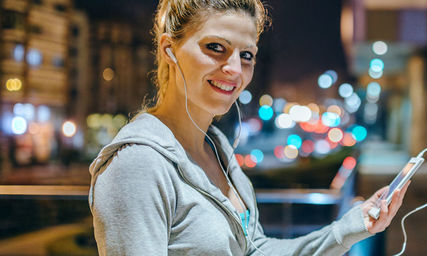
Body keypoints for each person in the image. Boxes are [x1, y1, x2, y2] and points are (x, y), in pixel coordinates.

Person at [88, 0, 410, 255]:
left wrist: (352, 226)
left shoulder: (216, 150)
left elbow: (257, 250)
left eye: (246, 55)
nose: (233, 70)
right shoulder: (136, 166)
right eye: (215, 47)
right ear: (168, 50)